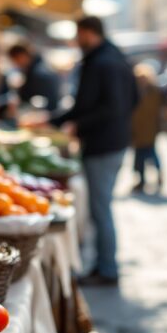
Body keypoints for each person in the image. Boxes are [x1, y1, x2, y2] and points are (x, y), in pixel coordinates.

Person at [49, 16, 138, 286]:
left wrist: (77, 124)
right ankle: (104, 265)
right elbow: (133, 99)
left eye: (79, 35)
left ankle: (107, 269)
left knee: (101, 209)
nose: (76, 41)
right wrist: (58, 119)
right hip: (112, 142)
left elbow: (107, 107)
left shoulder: (103, 62)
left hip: (104, 145)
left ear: (89, 33)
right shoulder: (114, 58)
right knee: (102, 208)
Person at [130, 64, 166, 192]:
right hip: (137, 129)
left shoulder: (155, 92)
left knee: (151, 153)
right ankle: (141, 180)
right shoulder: (133, 91)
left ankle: (158, 175)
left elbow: (162, 109)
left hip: (151, 128)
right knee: (139, 157)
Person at [8, 43, 61, 111]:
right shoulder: (34, 68)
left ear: (22, 56)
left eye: (15, 60)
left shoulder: (38, 72)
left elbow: (47, 99)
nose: (16, 64)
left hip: (43, 114)